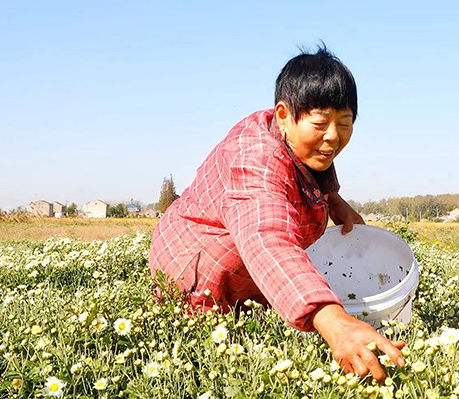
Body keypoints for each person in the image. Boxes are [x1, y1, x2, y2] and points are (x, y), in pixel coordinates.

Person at [149, 45, 405, 380]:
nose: (333, 136)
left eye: (345, 122)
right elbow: (269, 240)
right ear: (284, 115)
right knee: (206, 367)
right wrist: (336, 324)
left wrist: (334, 198)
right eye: (320, 123)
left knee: (250, 353)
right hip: (195, 270)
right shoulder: (253, 159)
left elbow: (315, 165)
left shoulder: (295, 138)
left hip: (244, 274)